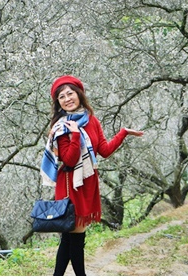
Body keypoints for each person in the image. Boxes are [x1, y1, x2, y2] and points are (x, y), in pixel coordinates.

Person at [41, 75, 144, 276]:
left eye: (70, 93)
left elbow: (103, 150)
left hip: (87, 183)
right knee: (74, 238)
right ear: (58, 103)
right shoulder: (61, 127)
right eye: (61, 96)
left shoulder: (92, 121)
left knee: (72, 238)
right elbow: (69, 160)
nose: (67, 98)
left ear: (79, 95)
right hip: (71, 184)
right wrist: (75, 134)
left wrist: (123, 133)